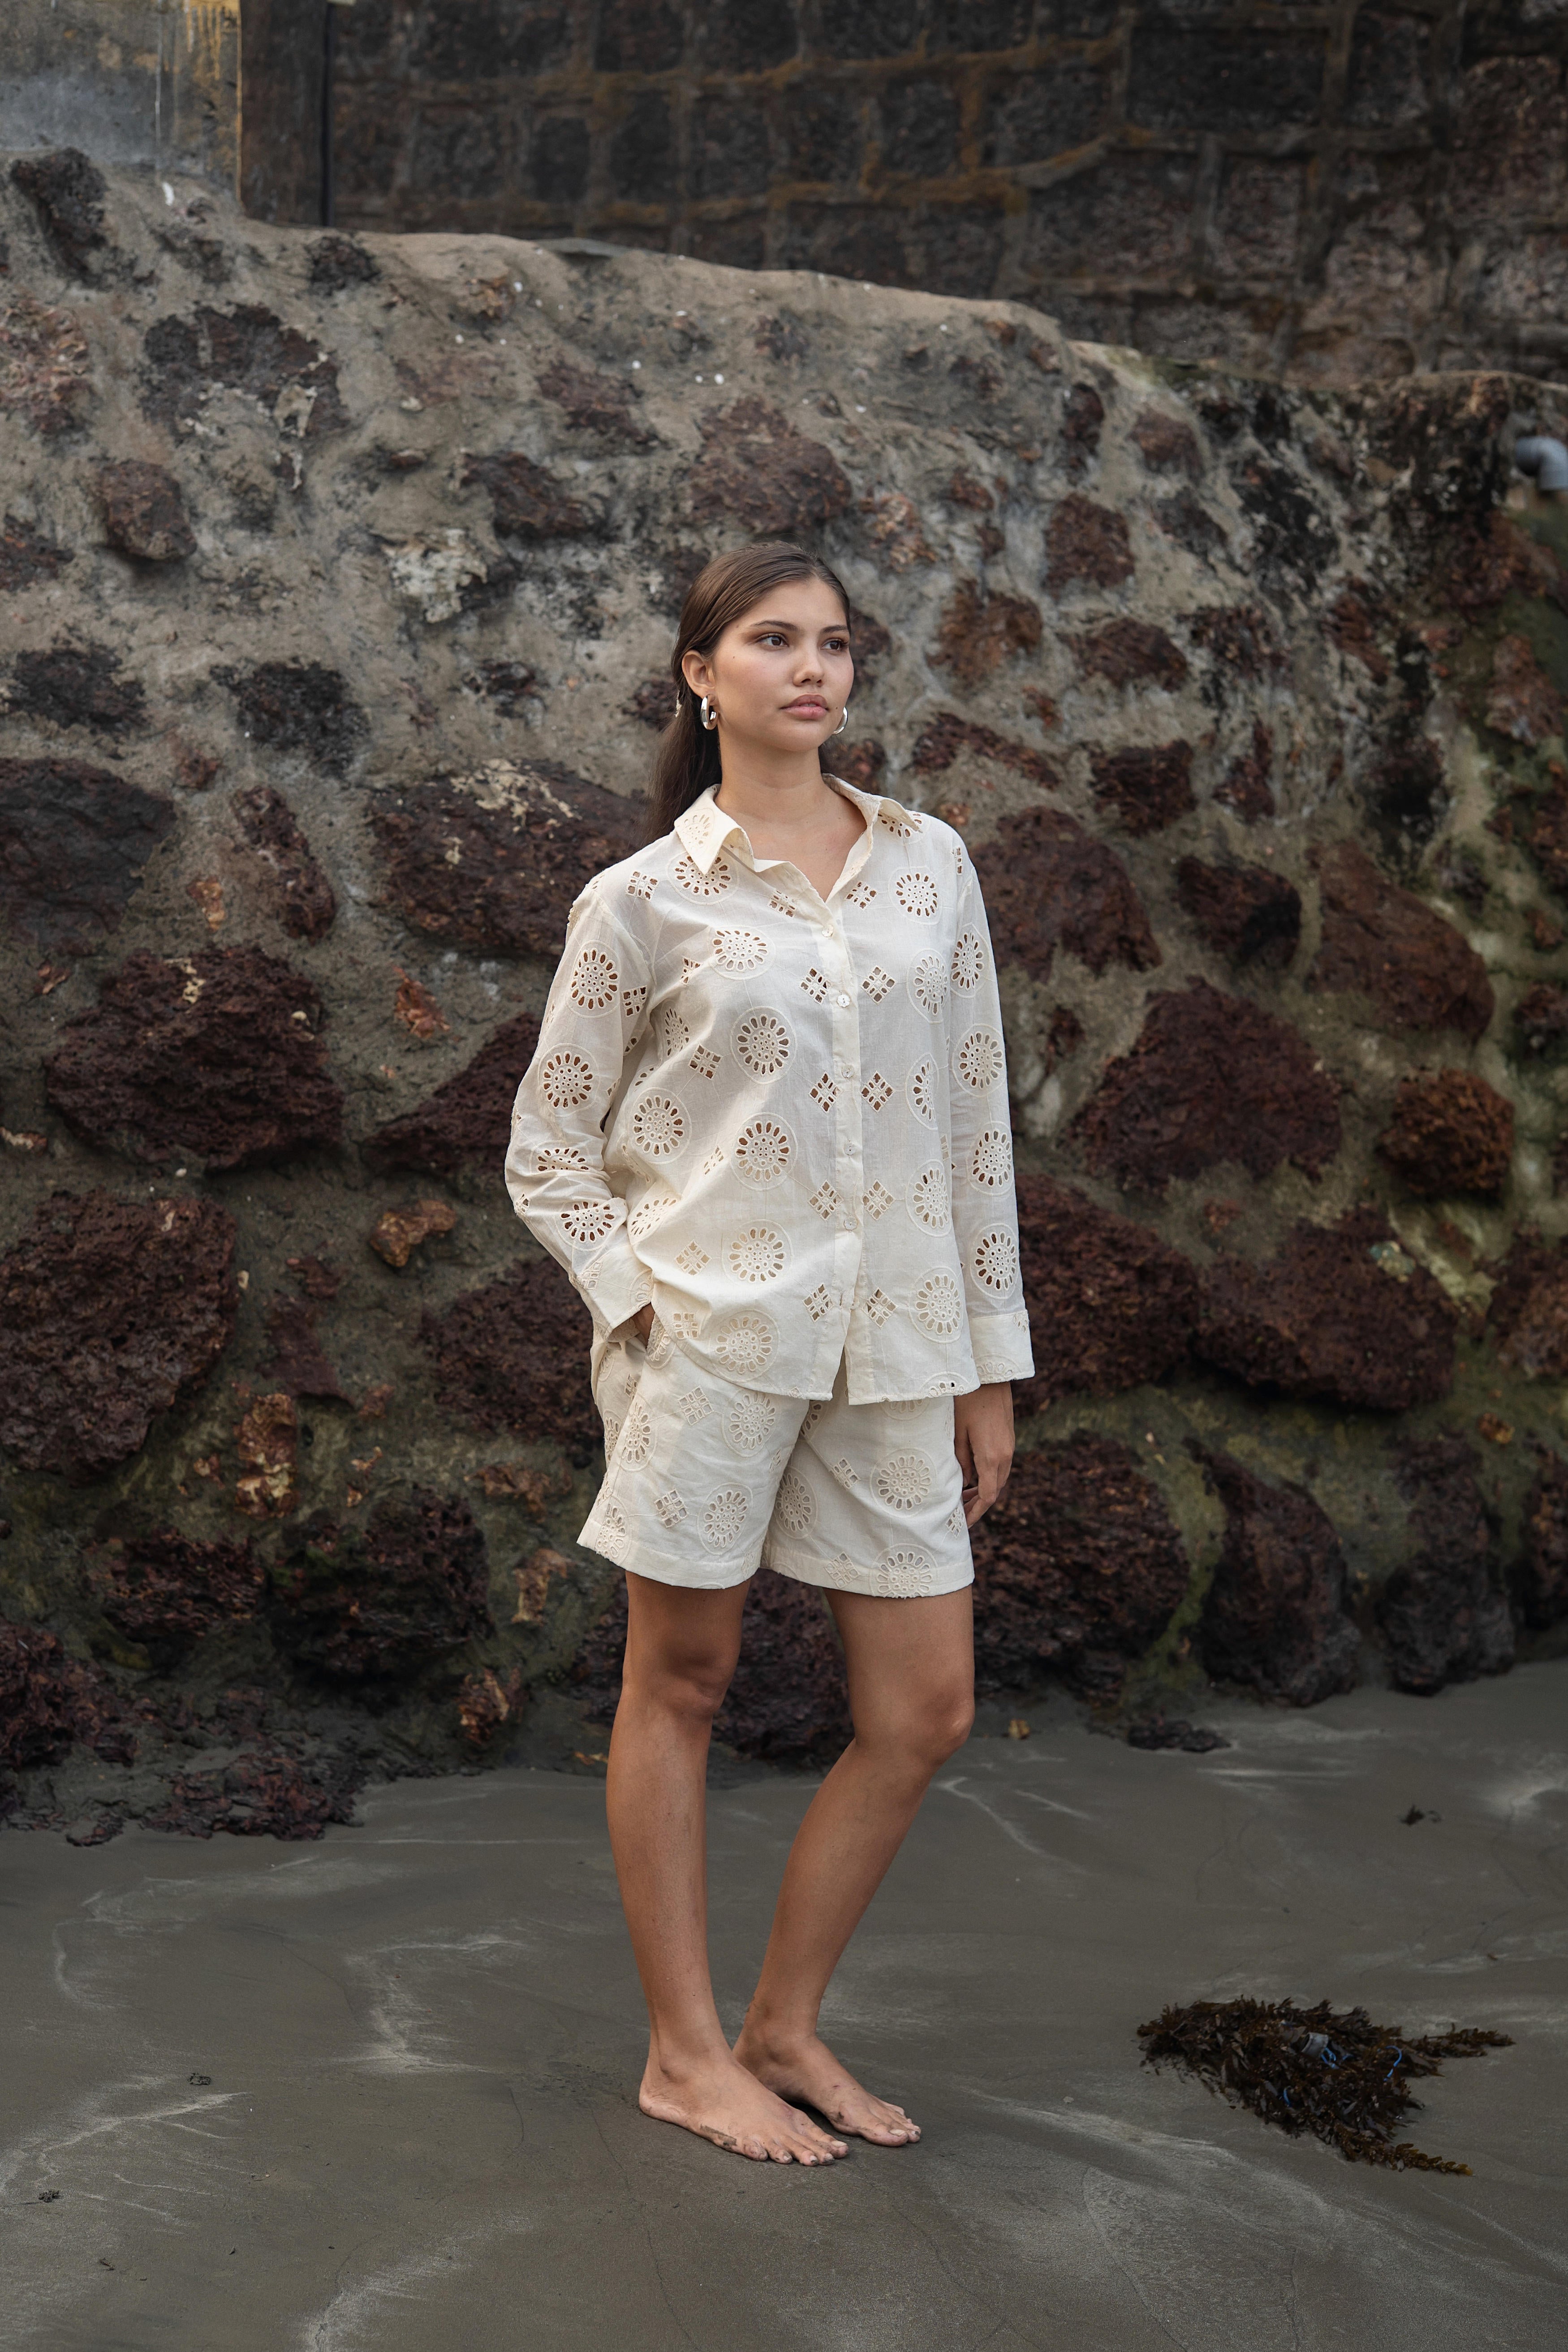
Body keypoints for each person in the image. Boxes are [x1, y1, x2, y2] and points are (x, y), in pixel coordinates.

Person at [506, 541, 1033, 2167]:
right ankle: (683, 2054)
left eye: (835, 644)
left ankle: (782, 2027)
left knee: (925, 1707)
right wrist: (642, 1307)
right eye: (773, 640)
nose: (813, 669)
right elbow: (547, 1150)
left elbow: (972, 1129)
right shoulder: (640, 899)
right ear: (700, 672)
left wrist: (988, 1365)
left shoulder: (929, 866)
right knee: (680, 1682)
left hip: (900, 1343)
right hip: (712, 1346)